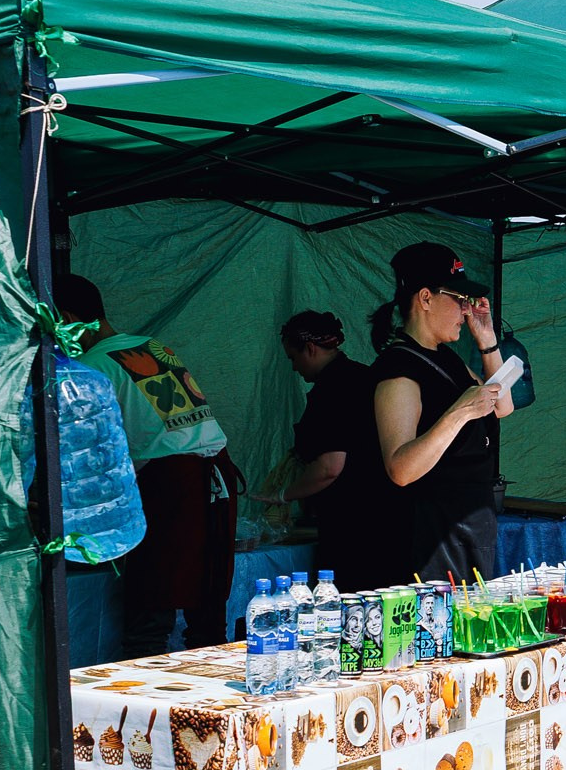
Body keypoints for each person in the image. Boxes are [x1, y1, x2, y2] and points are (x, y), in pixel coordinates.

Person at [59, 276, 240, 658]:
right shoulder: (153, 345)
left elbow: (90, 454)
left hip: (172, 485)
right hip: (214, 478)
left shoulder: (90, 368)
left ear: (68, 319)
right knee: (207, 608)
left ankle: (148, 683)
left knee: (151, 606)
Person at [374, 243, 516, 583]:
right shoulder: (398, 368)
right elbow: (400, 469)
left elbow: (503, 406)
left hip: (469, 529)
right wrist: (458, 413)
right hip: (428, 543)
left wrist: (487, 341)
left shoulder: (447, 357)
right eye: (459, 299)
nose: (466, 310)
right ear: (426, 298)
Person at [272, 310, 392, 591]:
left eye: (293, 358)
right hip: (386, 518)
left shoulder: (332, 389)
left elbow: (329, 467)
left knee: (348, 601)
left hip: (353, 524)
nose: (294, 368)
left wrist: (282, 495)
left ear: (310, 348)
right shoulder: (365, 375)